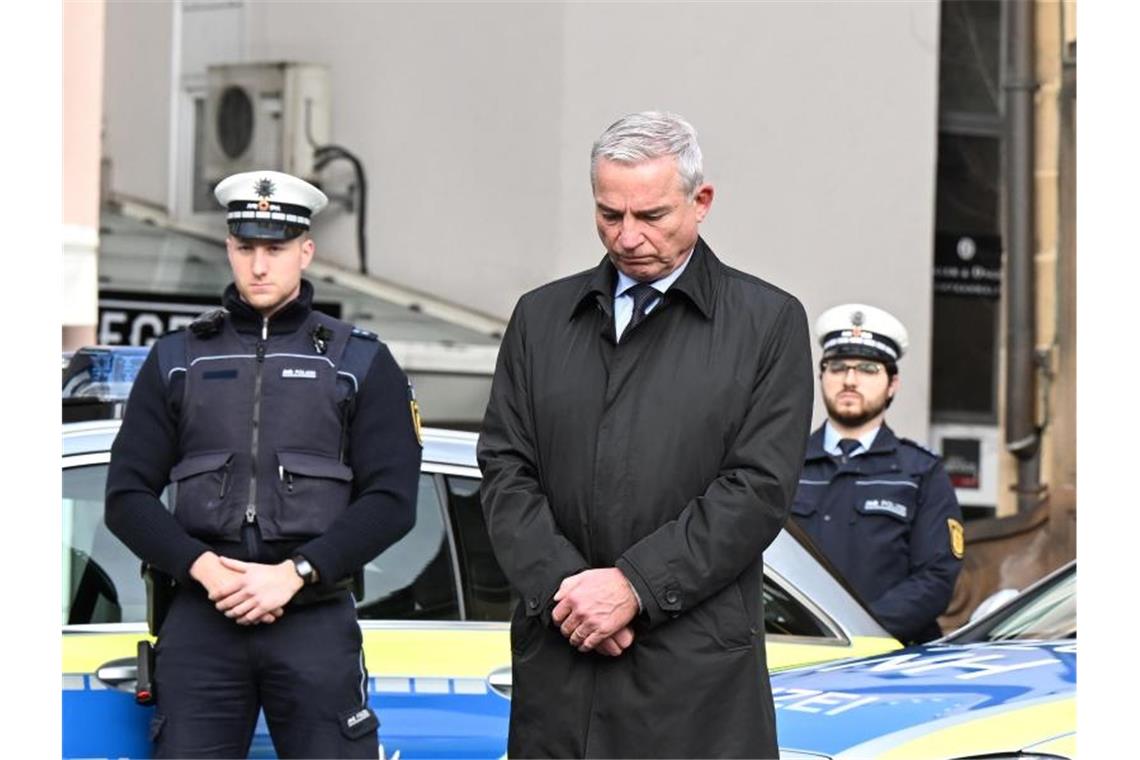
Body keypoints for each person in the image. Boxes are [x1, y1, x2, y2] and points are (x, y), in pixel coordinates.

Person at [477, 111, 814, 757]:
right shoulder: (541, 318)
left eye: (651, 216)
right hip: (564, 665)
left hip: (693, 679)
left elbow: (757, 489)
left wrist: (633, 586)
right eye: (609, 214)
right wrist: (565, 592)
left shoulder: (766, 323)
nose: (628, 237)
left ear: (701, 202)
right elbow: (504, 470)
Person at [105, 169, 422, 758]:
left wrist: (294, 574)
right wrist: (203, 568)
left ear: (305, 251)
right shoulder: (177, 359)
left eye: (274, 250)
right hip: (202, 617)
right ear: (228, 248)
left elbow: (393, 500)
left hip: (313, 616)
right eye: (245, 248)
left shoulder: (361, 362)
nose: (258, 266)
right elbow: (126, 496)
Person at [790, 303, 964, 644]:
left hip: (889, 659)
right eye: (837, 367)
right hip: (795, 647)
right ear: (821, 375)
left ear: (892, 383)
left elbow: (936, 577)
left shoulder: (920, 472)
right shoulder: (787, 462)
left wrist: (859, 633)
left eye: (868, 369)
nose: (850, 380)